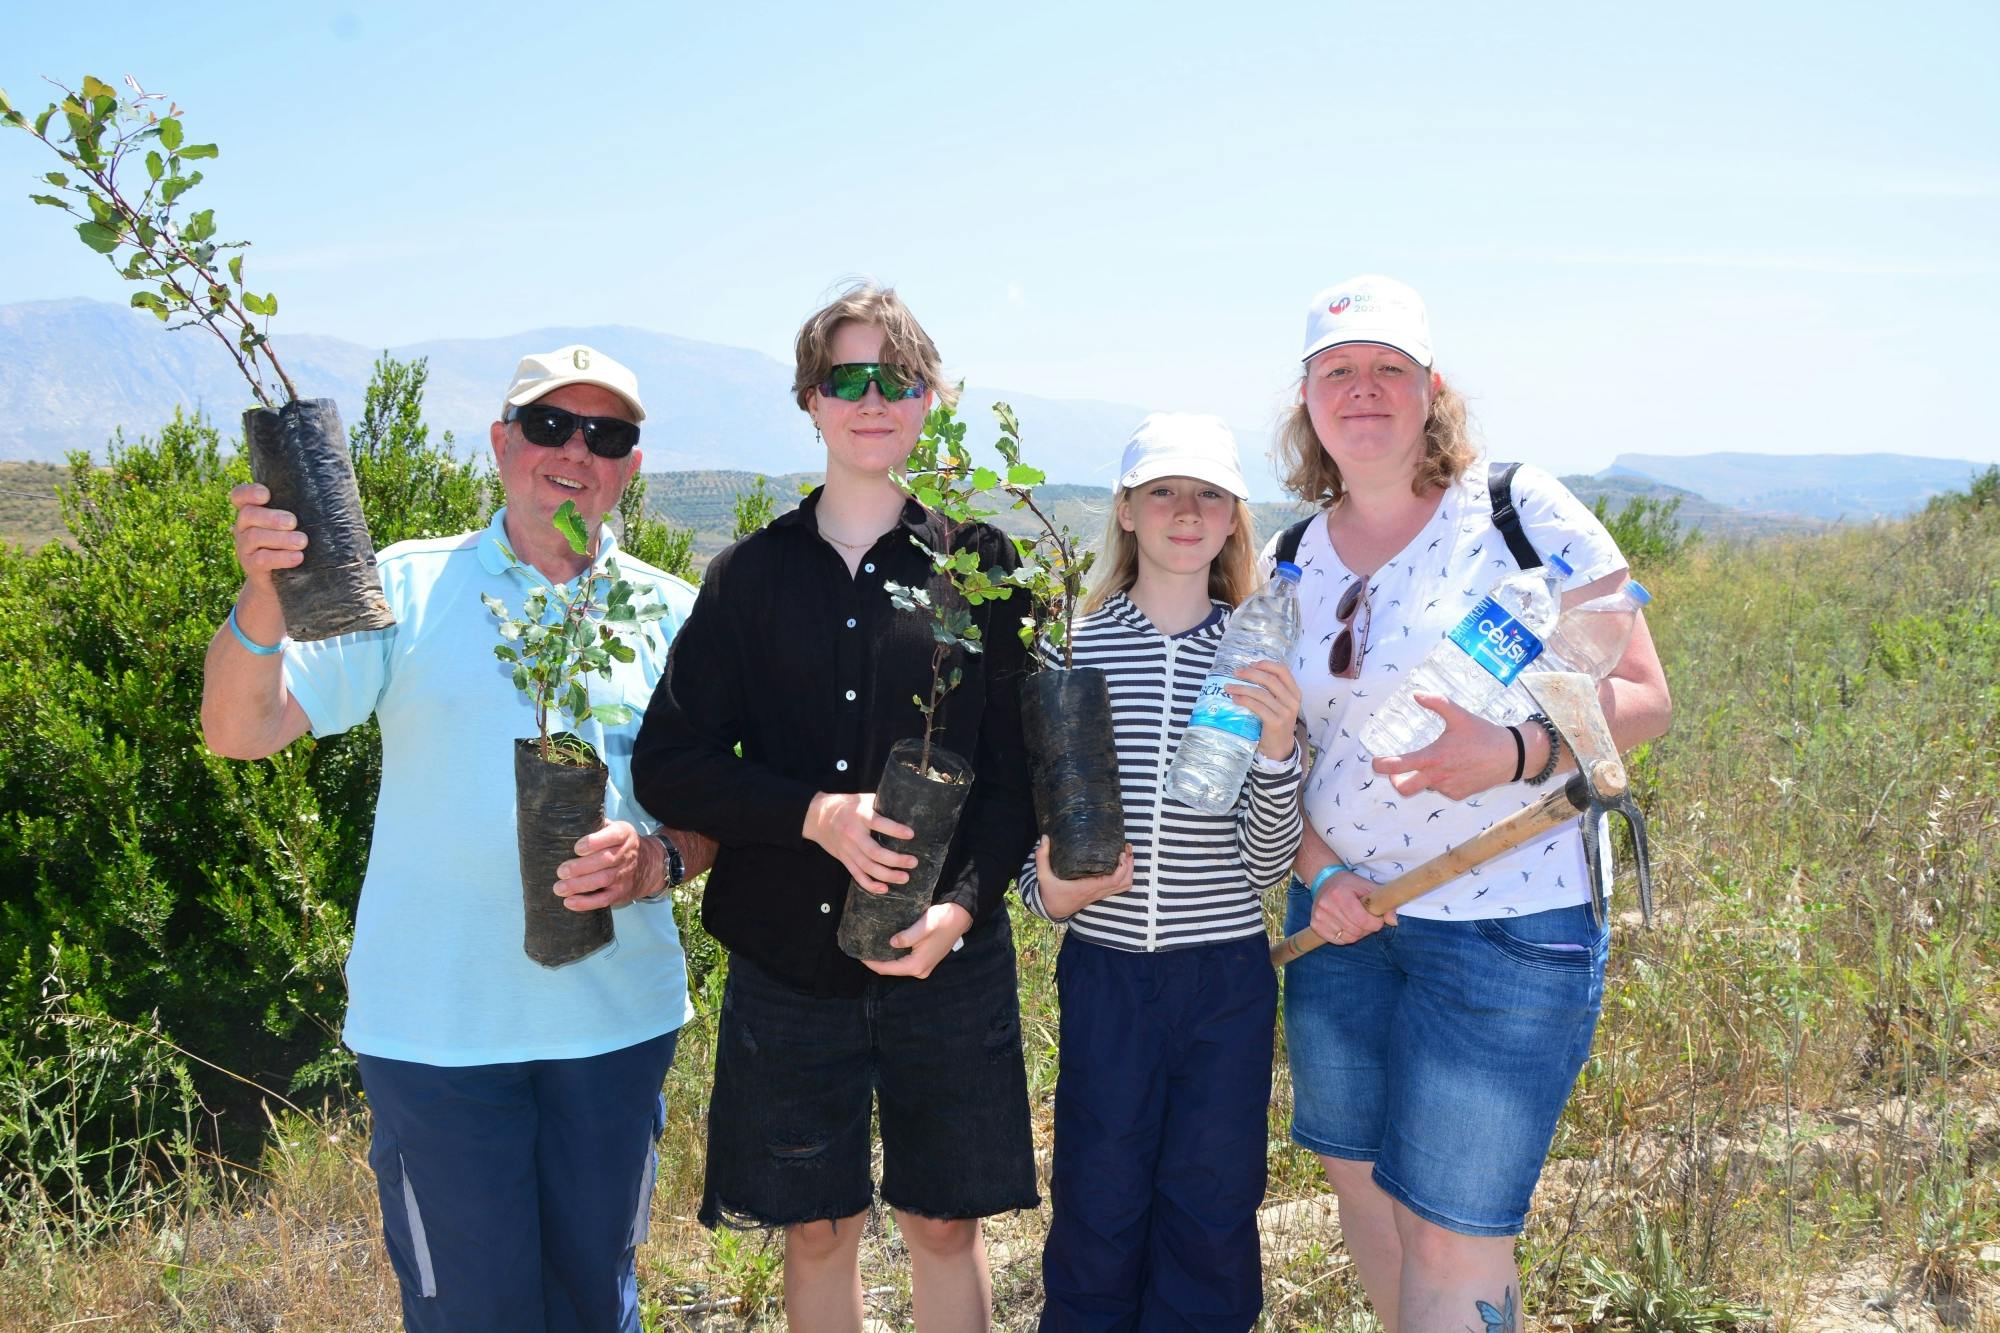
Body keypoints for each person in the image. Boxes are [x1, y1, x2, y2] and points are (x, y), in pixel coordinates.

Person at [200, 345, 715, 1333]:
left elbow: (717, 820)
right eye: (548, 426)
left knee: (597, 1307)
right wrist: (264, 590)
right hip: (436, 1039)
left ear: (632, 467)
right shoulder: (404, 587)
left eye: (605, 435)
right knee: (470, 1314)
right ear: (500, 444)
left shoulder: (671, 615)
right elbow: (241, 729)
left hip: (614, 1031)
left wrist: (661, 861)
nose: (574, 452)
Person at [630, 283, 1039, 1332]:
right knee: (814, 1228)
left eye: (894, 378)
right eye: (846, 378)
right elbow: (668, 766)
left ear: (927, 400)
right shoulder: (746, 578)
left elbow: (1014, 778)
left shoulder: (980, 570)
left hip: (946, 964)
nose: (871, 399)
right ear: (810, 400)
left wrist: (958, 911)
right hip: (786, 966)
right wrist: (811, 812)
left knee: (945, 1222)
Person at [1272, 276, 1671, 1333]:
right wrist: (1316, 876)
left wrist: (1505, 751)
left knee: (1453, 1225)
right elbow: (1289, 758)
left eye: (1388, 369)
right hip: (1343, 923)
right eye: (1337, 371)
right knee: (1360, 1184)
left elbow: (1641, 697)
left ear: (1428, 389)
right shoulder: (1288, 558)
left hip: (1502, 924)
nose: (1363, 390)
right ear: (1306, 397)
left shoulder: (1515, 511)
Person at [1019, 413, 1305, 1330]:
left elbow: (1265, 863)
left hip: (1223, 975)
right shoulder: (1073, 643)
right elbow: (1034, 830)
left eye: (1209, 494)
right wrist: (1047, 892)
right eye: (1163, 492)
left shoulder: (1261, 653)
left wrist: (1276, 746)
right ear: (1127, 512)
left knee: (1211, 1208)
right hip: (1106, 973)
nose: (1187, 511)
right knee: (1098, 1204)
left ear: (1234, 520)